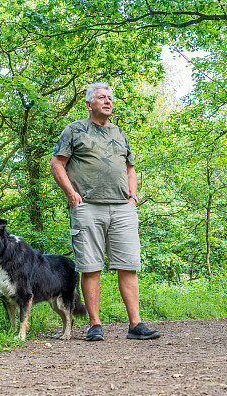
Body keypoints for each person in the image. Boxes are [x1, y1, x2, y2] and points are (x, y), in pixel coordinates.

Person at [50, 82, 160, 341]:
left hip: (123, 208)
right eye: (102, 97)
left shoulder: (120, 133)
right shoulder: (74, 130)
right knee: (90, 267)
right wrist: (72, 195)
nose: (108, 101)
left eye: (110, 98)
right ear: (89, 104)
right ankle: (94, 325)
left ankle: (136, 325)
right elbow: (57, 163)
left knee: (129, 265)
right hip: (87, 207)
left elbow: (130, 167)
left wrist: (133, 198)